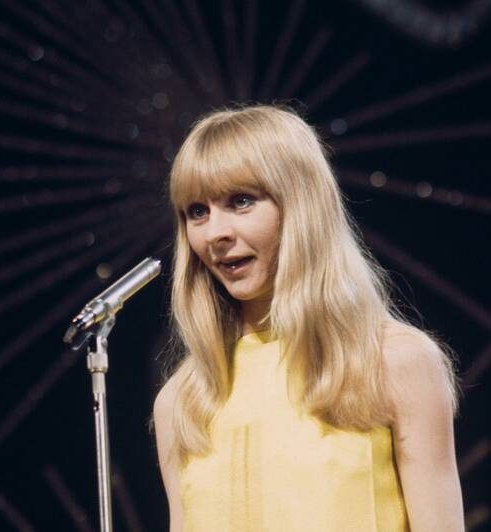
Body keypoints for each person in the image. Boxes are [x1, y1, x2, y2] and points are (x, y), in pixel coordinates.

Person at [152, 104, 464, 531]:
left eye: (240, 201)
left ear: (300, 205)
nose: (214, 233)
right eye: (197, 212)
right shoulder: (184, 400)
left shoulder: (394, 361)